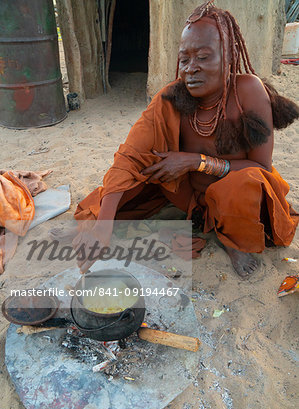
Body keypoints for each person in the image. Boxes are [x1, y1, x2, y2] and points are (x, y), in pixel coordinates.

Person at [59, 1, 299, 277]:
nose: (191, 69)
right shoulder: (172, 97)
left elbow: (261, 167)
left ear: (229, 55)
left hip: (236, 198)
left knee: (246, 184)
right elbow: (130, 156)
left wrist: (195, 162)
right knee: (122, 187)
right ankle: (100, 226)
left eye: (204, 57)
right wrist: (102, 227)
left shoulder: (248, 91)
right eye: (184, 59)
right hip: (187, 197)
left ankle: (233, 239)